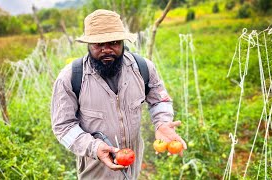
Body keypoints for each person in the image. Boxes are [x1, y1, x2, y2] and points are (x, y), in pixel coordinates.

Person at [51, 9, 187, 180]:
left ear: (123, 42)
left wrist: (162, 122)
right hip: (96, 170)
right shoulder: (71, 78)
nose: (106, 50)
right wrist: (93, 147)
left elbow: (160, 100)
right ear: (88, 45)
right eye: (98, 44)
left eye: (114, 42)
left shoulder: (143, 68)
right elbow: (63, 126)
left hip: (133, 164)